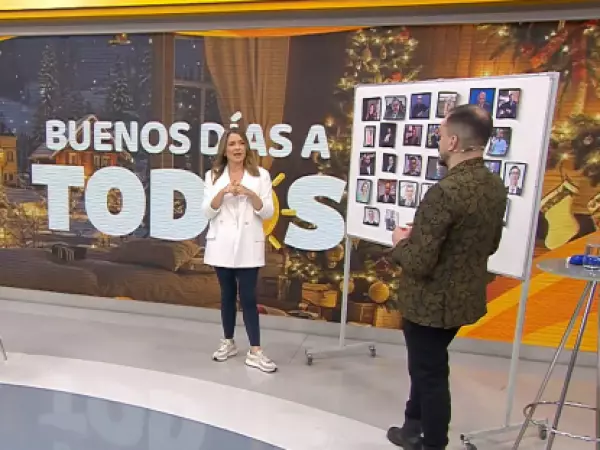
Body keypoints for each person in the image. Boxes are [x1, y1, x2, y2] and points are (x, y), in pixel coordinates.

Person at [387, 104, 507, 450]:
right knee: (426, 366)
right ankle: (412, 427)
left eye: (440, 136)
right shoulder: (494, 186)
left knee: (430, 374)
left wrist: (400, 243)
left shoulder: (445, 192)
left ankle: (433, 443)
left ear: (453, 142)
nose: (439, 142)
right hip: (462, 301)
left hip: (430, 304)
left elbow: (420, 262)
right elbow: (490, 244)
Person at [202, 128, 277, 374]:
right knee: (226, 295)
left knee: (248, 297)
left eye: (241, 143)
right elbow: (207, 211)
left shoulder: (260, 176)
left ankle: (255, 350)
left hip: (247, 244)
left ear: (246, 148)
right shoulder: (213, 176)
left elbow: (267, 211)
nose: (237, 148)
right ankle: (228, 341)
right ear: (225, 150)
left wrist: (250, 194)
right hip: (222, 243)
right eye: (232, 144)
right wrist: (223, 192)